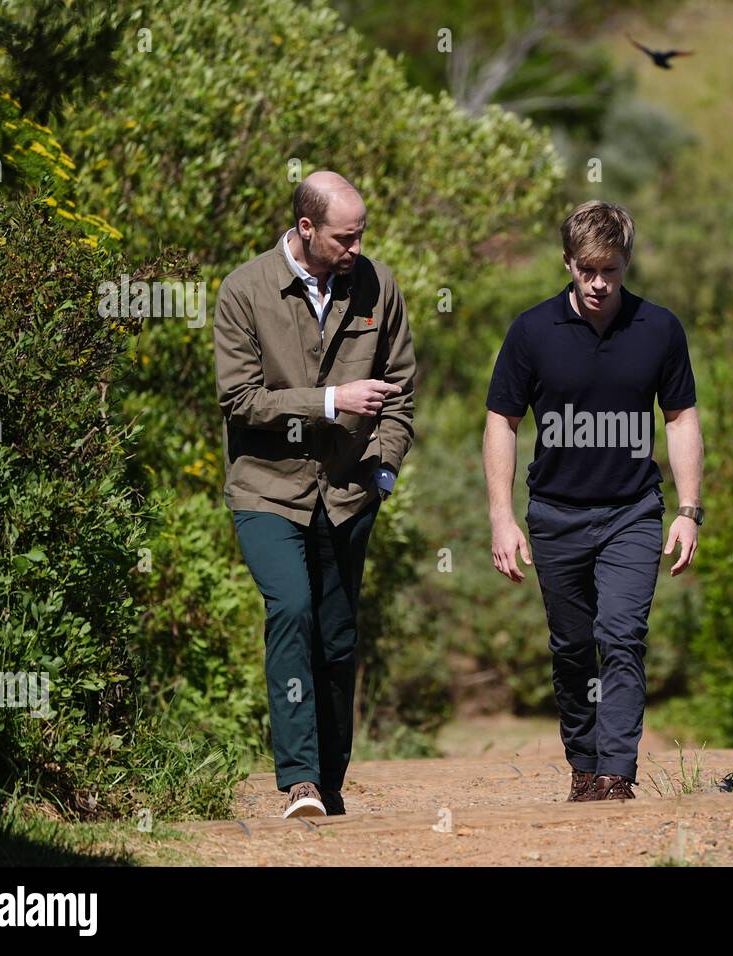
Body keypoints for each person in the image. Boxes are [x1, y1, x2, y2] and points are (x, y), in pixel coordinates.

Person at [483, 200, 704, 801]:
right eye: (587, 270)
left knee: (622, 633)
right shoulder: (532, 331)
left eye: (611, 269)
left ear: (627, 262)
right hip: (554, 514)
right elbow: (501, 421)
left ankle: (616, 771)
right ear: (568, 264)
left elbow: (681, 417)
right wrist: (502, 519)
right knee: (573, 647)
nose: (600, 283)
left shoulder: (658, 329)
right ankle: (583, 762)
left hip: (633, 512)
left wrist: (688, 510)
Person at [214, 170, 416, 817]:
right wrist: (331, 402)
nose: (356, 247)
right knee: (292, 608)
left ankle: (328, 785)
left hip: (351, 493)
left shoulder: (376, 286)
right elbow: (240, 399)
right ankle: (297, 778)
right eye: (344, 237)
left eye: (360, 235)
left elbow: (401, 389)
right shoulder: (244, 291)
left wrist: (383, 469)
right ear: (306, 228)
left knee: (337, 637)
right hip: (266, 490)